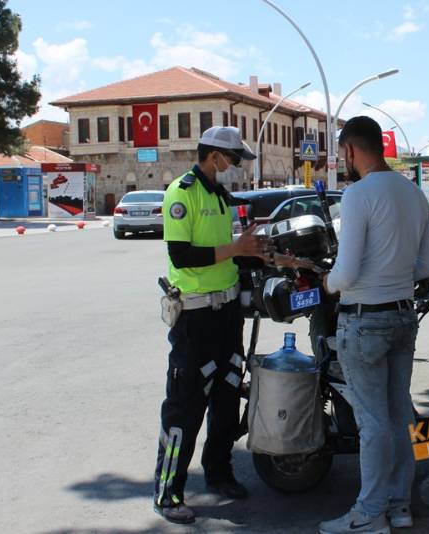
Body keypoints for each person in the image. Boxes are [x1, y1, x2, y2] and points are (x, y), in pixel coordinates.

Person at [151, 125, 311, 524]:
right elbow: (183, 255)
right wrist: (236, 248)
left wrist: (271, 257)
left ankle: (219, 473)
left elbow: (232, 257)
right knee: (184, 406)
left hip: (227, 316)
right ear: (213, 155)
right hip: (194, 316)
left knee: (225, 399)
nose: (236, 166)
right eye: (233, 159)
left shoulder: (222, 199)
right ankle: (168, 492)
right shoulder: (181, 194)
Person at [320, 116, 429, 534]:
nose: (343, 162)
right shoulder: (413, 192)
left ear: (351, 150)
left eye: (342, 155)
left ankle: (370, 515)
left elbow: (346, 274)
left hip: (364, 321)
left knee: (372, 423)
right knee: (398, 414)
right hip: (404, 317)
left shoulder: (357, 194)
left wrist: (327, 282)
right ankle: (399, 505)